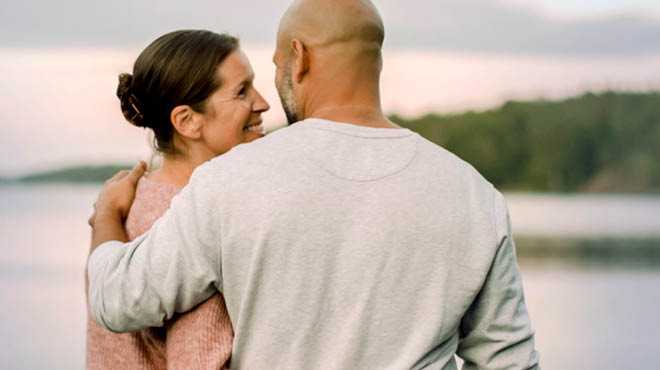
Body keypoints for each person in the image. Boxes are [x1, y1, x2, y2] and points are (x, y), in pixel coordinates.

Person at [87, 0, 541, 369]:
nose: (264, 97)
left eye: (276, 64)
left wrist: (106, 219)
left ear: (299, 58)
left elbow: (117, 300)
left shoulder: (230, 181)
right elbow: (509, 361)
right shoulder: (473, 194)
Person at [85, 30, 270, 369]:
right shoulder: (195, 224)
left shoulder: (128, 207)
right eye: (242, 91)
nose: (262, 103)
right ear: (187, 121)